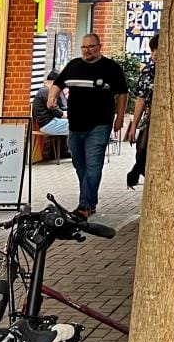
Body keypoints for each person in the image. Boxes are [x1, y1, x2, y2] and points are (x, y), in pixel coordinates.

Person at [49, 34, 128, 219]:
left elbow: (122, 93)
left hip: (99, 124)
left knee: (93, 165)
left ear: (99, 47)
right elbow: (58, 84)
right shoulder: (73, 66)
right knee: (80, 165)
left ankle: (84, 205)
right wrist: (52, 97)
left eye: (91, 47)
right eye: (84, 47)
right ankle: (90, 201)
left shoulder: (110, 68)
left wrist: (120, 117)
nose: (87, 50)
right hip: (75, 125)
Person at [126, 32, 158, 189]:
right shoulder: (148, 71)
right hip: (150, 118)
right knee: (141, 149)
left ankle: (136, 172)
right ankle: (138, 171)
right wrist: (134, 126)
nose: (155, 54)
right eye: (152, 50)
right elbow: (141, 98)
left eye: (158, 49)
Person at [33, 71, 68, 137]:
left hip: (49, 123)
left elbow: (56, 110)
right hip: (48, 125)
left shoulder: (44, 90)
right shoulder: (46, 91)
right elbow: (56, 112)